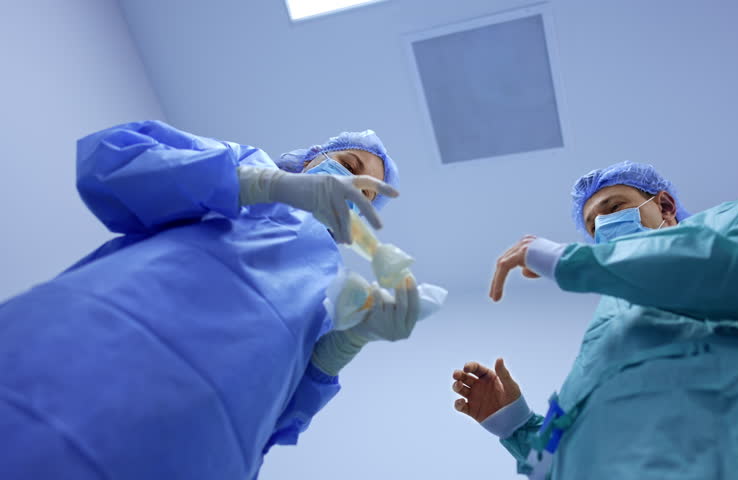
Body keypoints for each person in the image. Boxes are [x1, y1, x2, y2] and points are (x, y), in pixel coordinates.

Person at [0, 120, 426, 480]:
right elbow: (114, 162)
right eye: (348, 165)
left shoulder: (334, 292)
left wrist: (346, 344)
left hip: (197, 446)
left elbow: (277, 418)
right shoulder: (249, 167)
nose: (354, 186)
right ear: (313, 158)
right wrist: (261, 185)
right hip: (93, 342)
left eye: (368, 194)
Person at [452, 161, 738, 479]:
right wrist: (516, 426)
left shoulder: (728, 227)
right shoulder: (607, 329)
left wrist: (568, 261)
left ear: (665, 206)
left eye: (613, 208)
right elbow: (582, 458)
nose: (602, 226)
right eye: (591, 226)